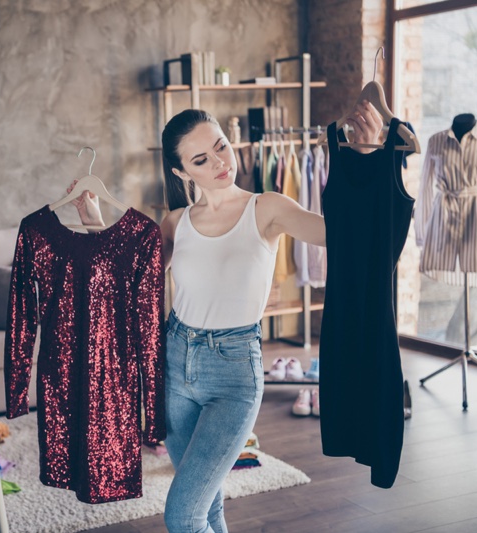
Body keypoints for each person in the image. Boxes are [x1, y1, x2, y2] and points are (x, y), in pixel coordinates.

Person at [68, 102, 383, 533]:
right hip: (175, 366)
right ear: (181, 172)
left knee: (182, 514)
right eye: (201, 159)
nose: (219, 163)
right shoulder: (175, 223)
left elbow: (341, 234)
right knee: (207, 506)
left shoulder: (266, 207)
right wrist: (95, 225)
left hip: (234, 373)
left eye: (221, 147)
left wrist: (365, 158)